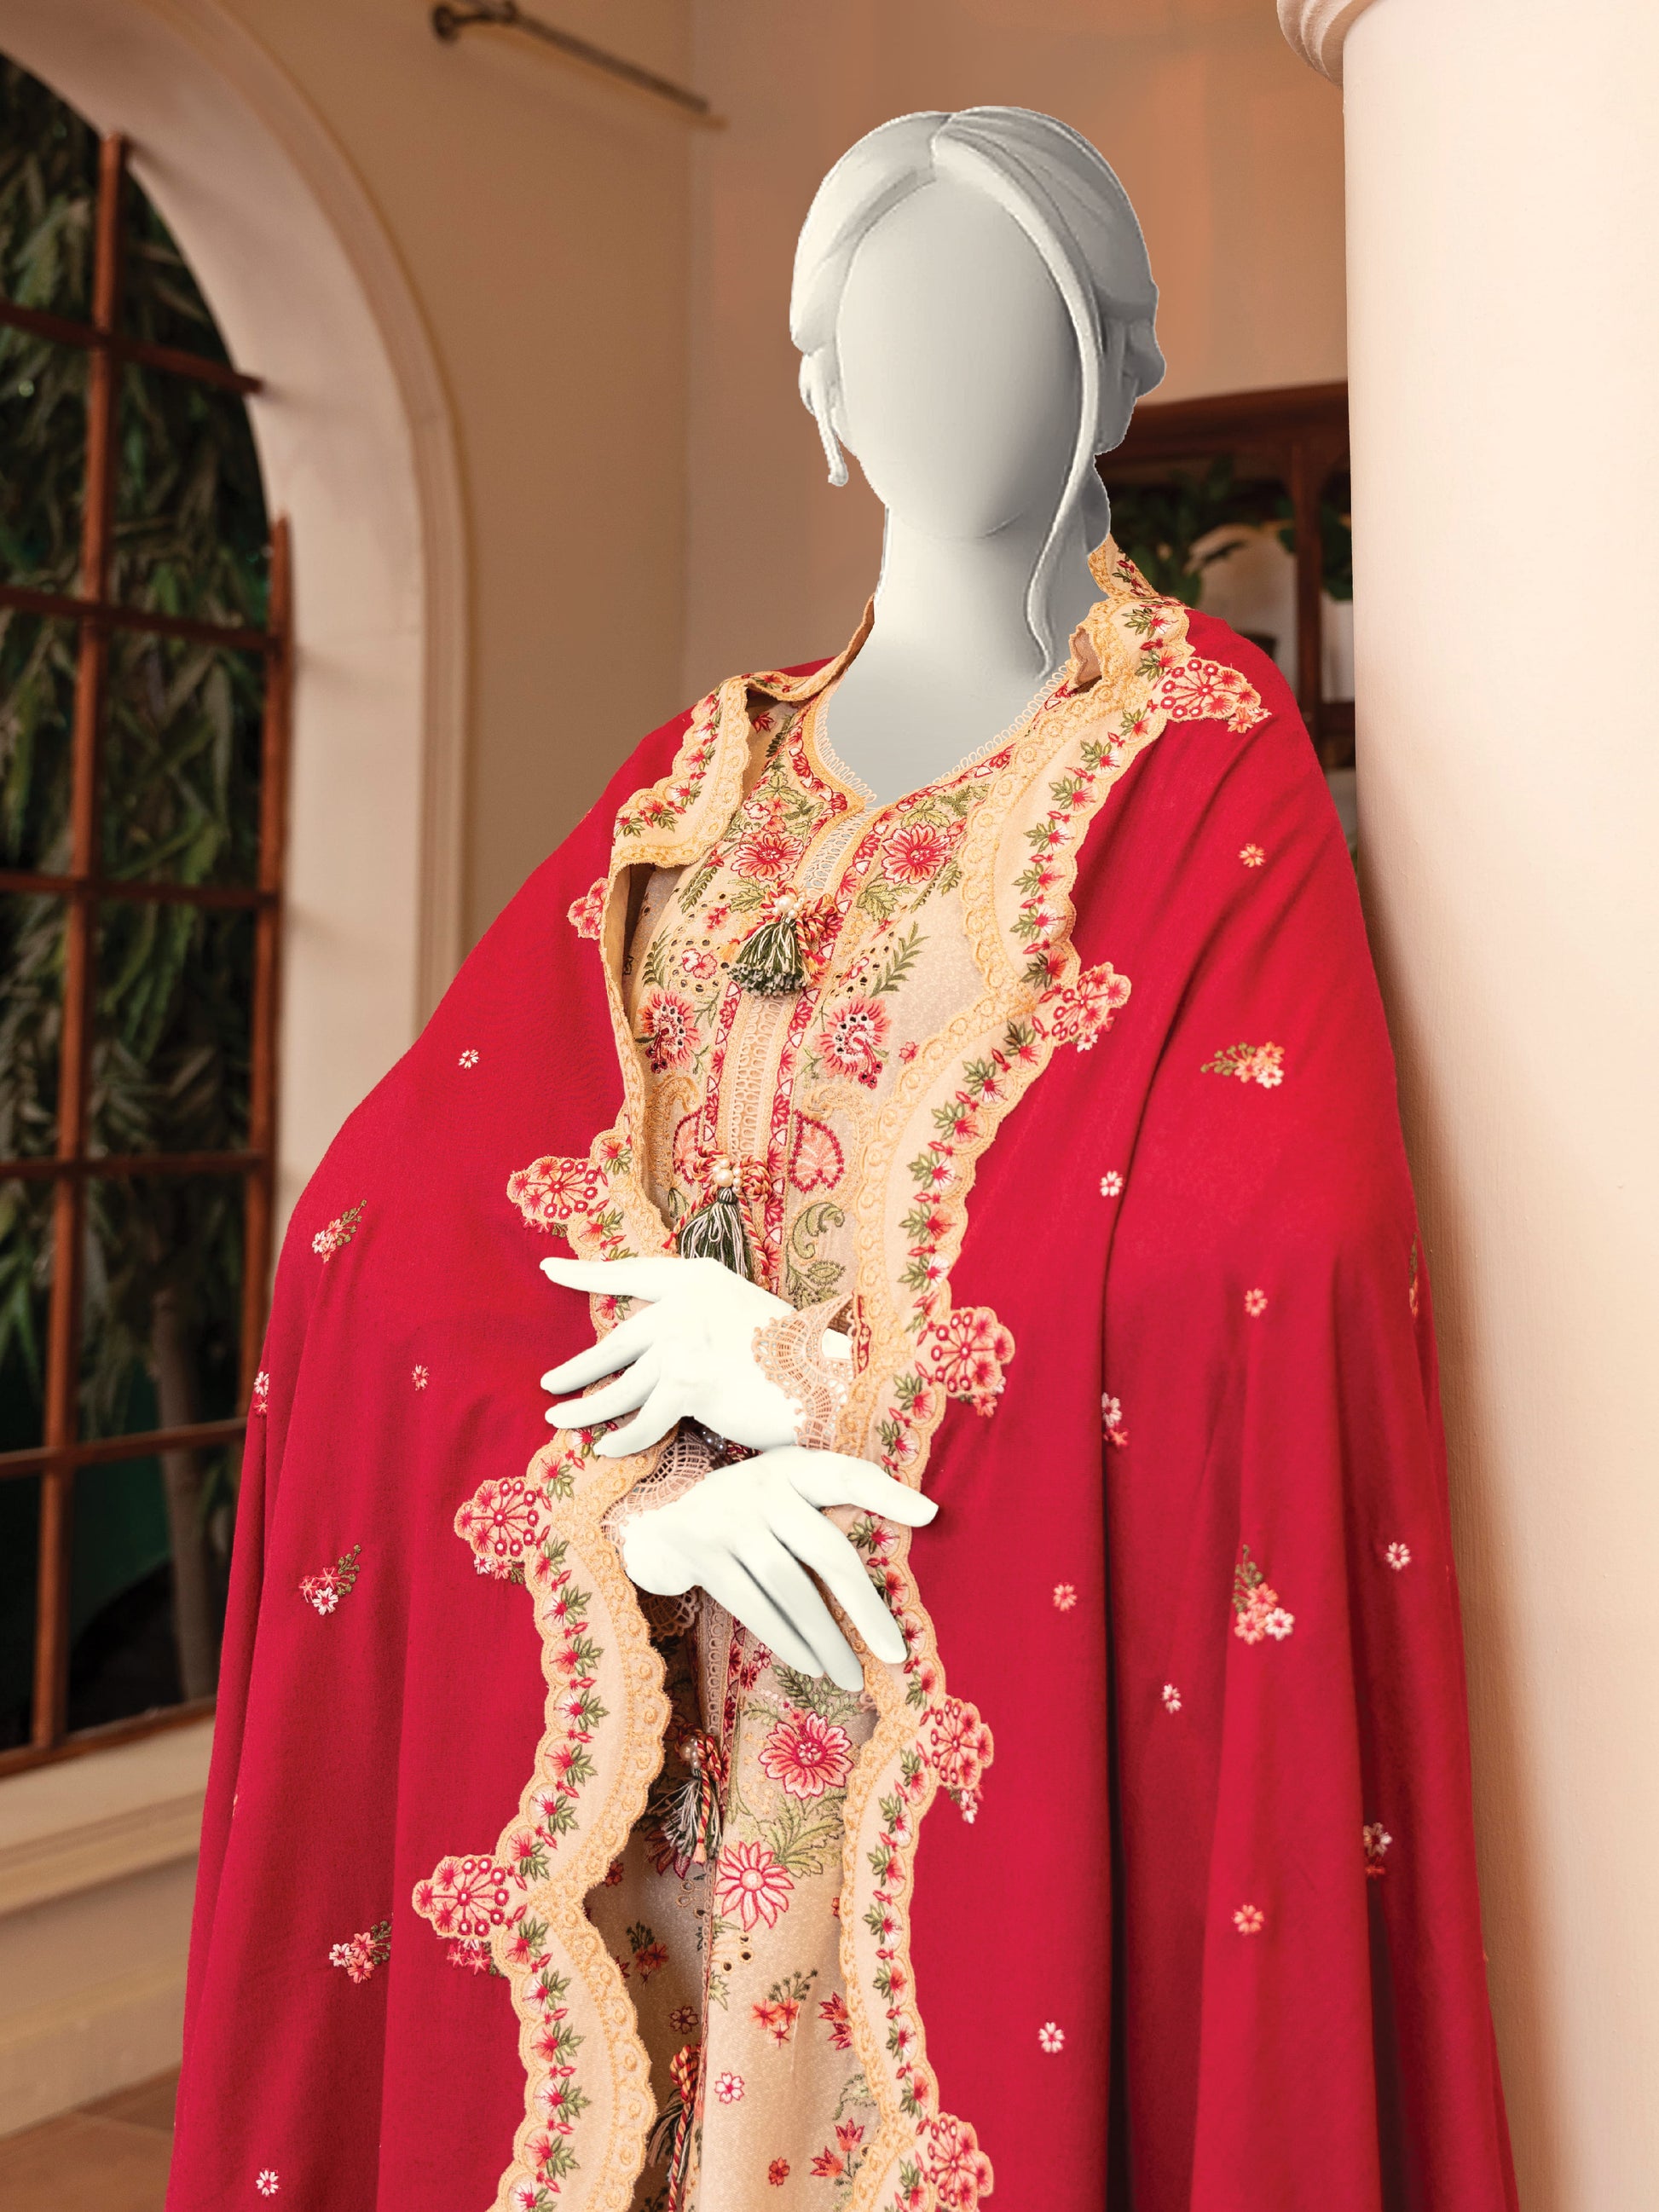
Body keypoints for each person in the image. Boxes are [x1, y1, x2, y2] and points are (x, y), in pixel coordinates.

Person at [169, 109, 1516, 2212]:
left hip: (975, 1733)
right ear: (818, 390)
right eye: (893, 328)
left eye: (1009, 318)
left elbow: (1285, 1260)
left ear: (1114, 366)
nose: (945, 377)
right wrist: (631, 1489)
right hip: (657, 1737)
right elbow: (382, 1244)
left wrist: (820, 1377)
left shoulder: (1191, 764)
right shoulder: (698, 786)